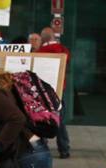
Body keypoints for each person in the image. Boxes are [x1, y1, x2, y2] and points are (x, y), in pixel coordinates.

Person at [36, 26, 71, 158]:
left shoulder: (39, 52)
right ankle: (64, 149)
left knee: (41, 119)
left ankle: (42, 147)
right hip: (58, 90)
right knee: (60, 122)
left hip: (43, 92)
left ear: (42, 38)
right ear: (54, 37)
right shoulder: (63, 50)